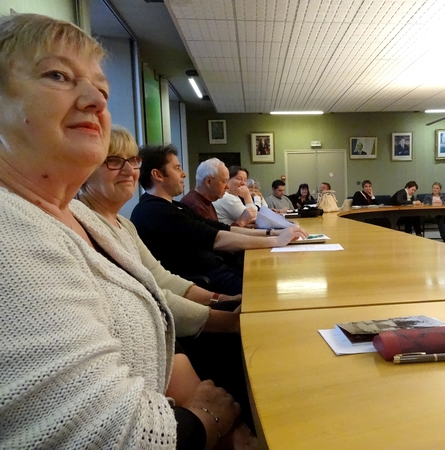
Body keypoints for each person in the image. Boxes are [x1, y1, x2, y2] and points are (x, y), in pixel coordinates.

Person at [0, 14, 239, 449]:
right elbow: (107, 433)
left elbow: (154, 296)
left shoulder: (82, 217)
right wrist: (208, 420)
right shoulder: (10, 233)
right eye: (58, 75)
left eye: (103, 89)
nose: (95, 99)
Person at [79, 125, 258, 438]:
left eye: (132, 160)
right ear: (83, 165)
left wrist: (222, 302)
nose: (127, 170)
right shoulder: (90, 224)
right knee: (240, 359)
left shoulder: (122, 223)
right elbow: (153, 297)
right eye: (112, 161)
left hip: (170, 330)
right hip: (160, 344)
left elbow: (160, 279)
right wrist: (228, 321)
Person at [130, 145, 307, 295]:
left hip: (215, 270)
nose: (183, 174)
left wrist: (275, 232)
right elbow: (216, 238)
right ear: (158, 175)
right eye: (177, 168)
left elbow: (221, 228)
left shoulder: (174, 206)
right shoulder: (155, 211)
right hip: (205, 281)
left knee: (271, 278)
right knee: (268, 288)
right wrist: (275, 240)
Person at [180, 157, 229, 222]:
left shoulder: (203, 201)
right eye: (224, 181)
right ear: (208, 181)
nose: (227, 187)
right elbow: (214, 231)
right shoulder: (195, 206)